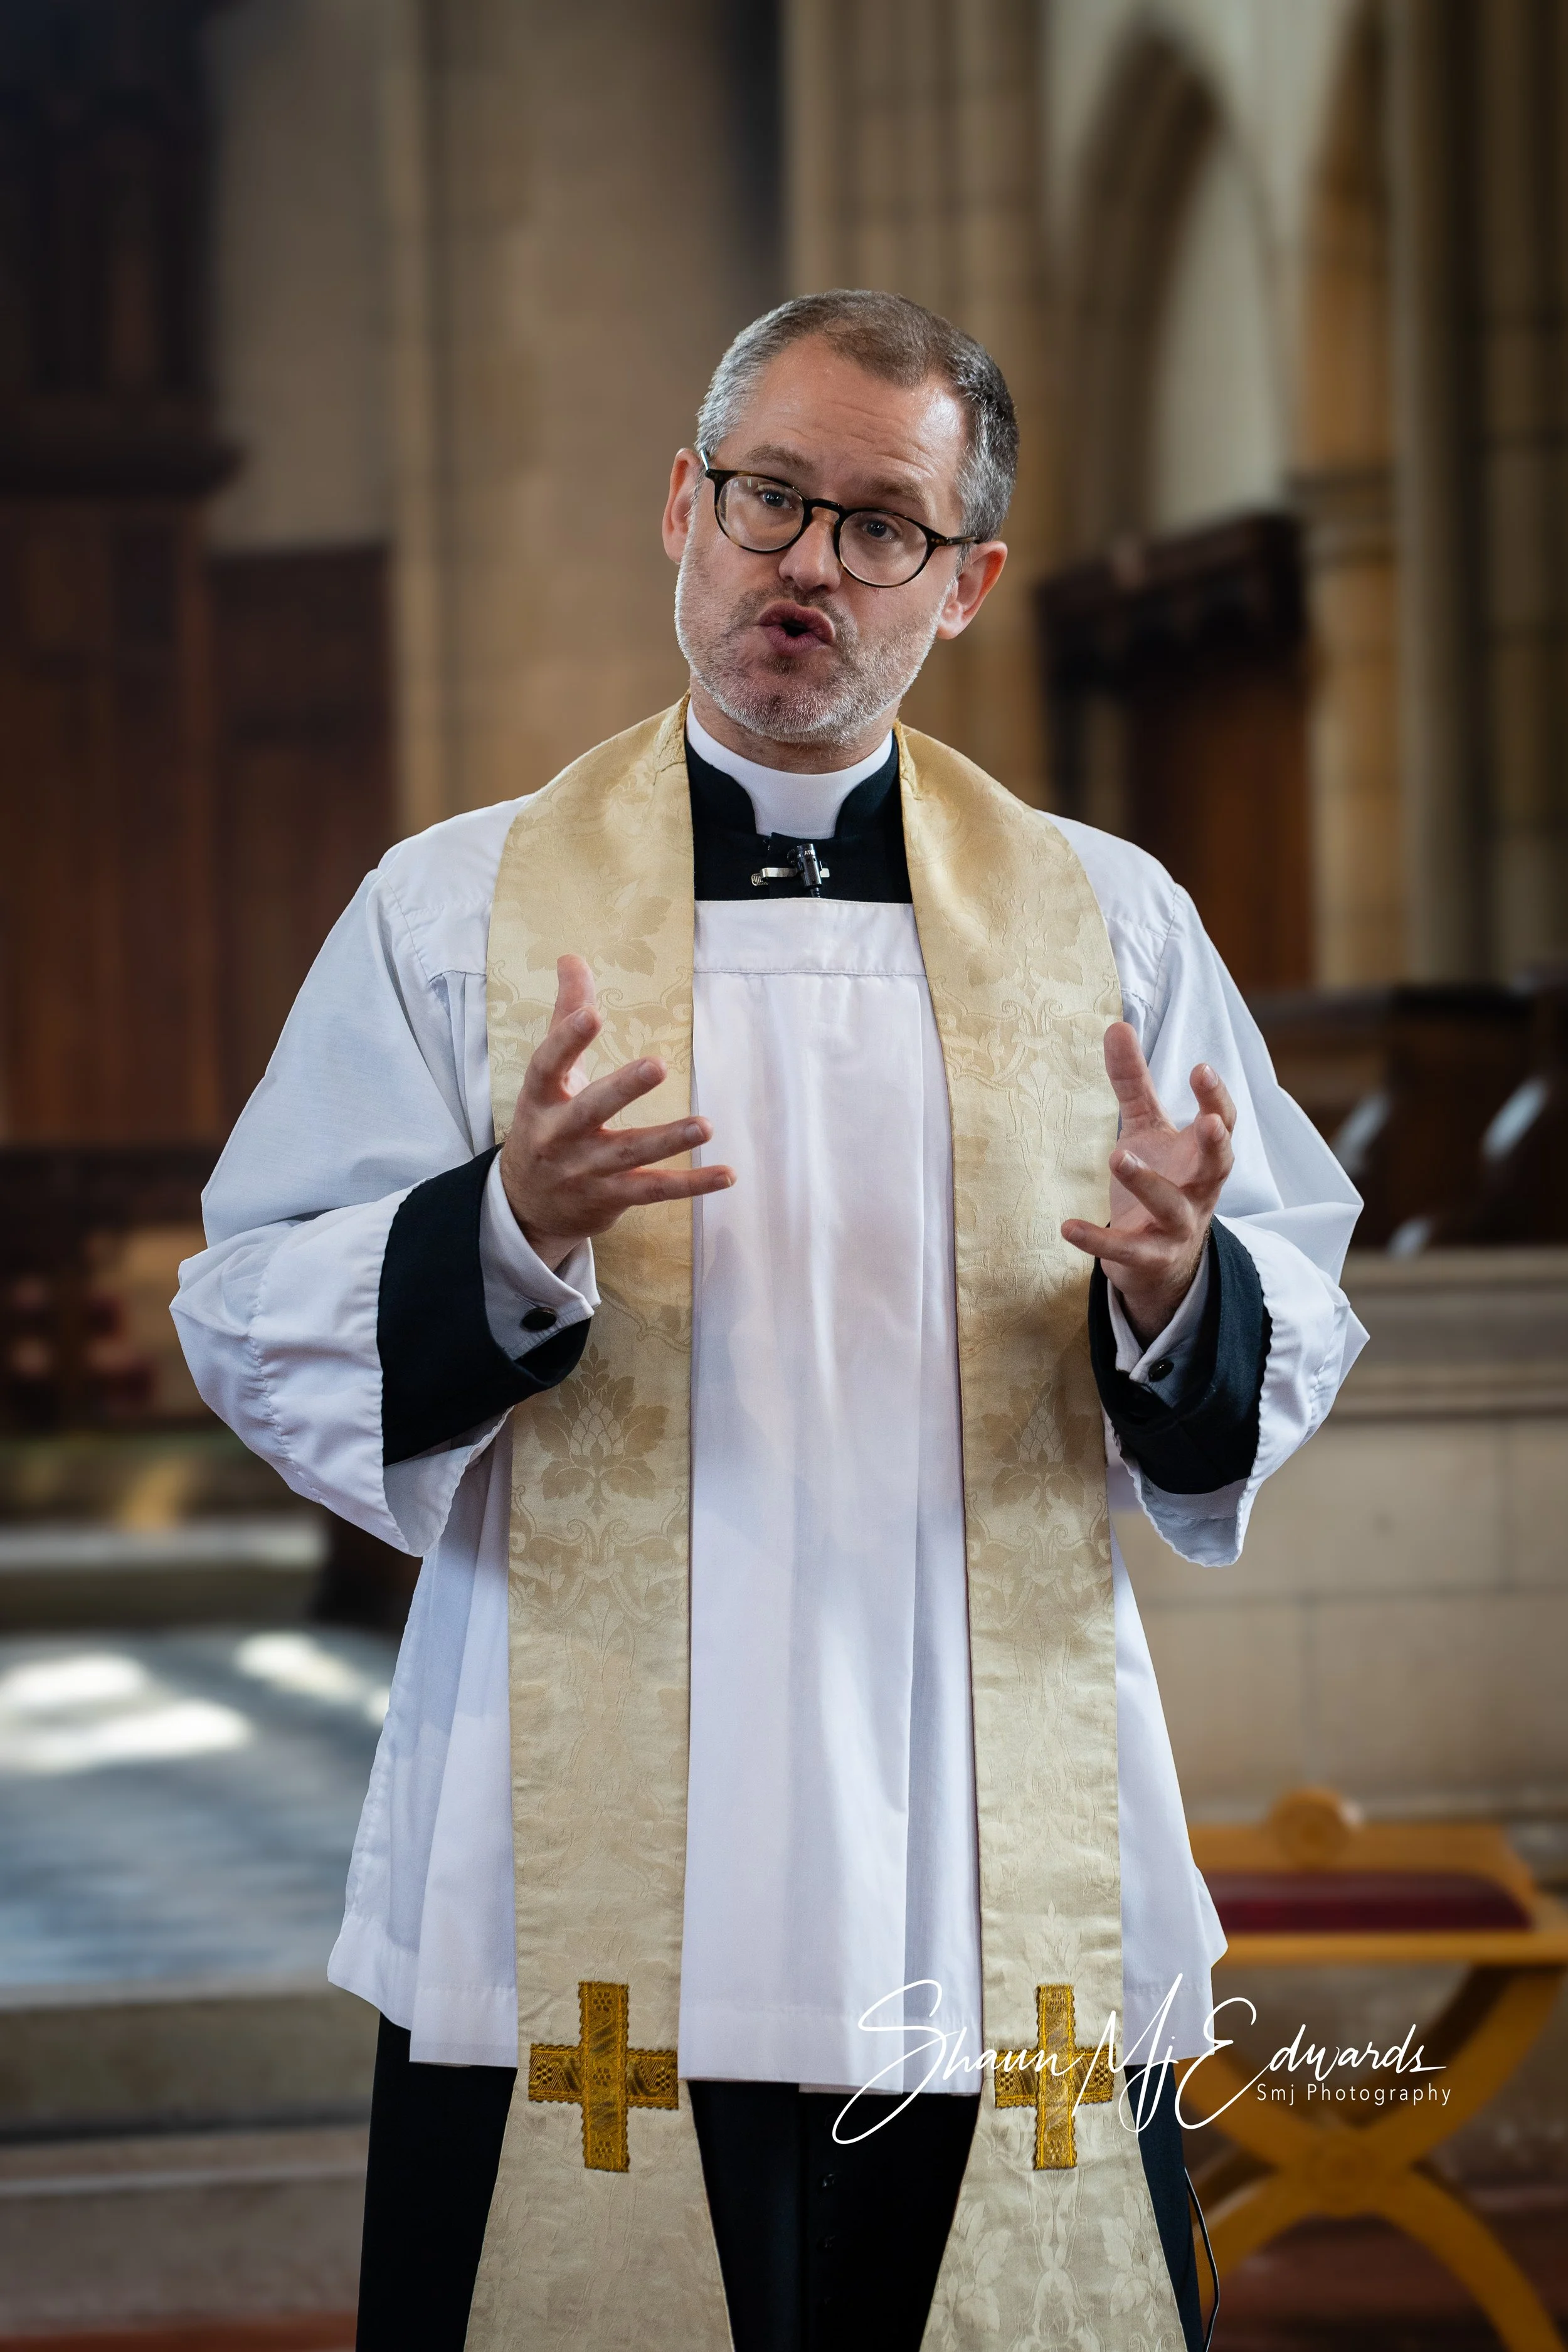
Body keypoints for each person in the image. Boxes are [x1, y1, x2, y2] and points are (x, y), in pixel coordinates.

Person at [174, 290, 1364, 2352]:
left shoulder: (1109, 922)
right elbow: (254, 1297)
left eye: (878, 523)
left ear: (965, 580)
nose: (806, 560)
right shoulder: (453, 913)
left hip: (974, 1828)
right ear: (680, 506)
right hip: (577, 1833)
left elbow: (1292, 1294)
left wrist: (1181, 1289)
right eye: (765, 498)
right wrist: (499, 1235)